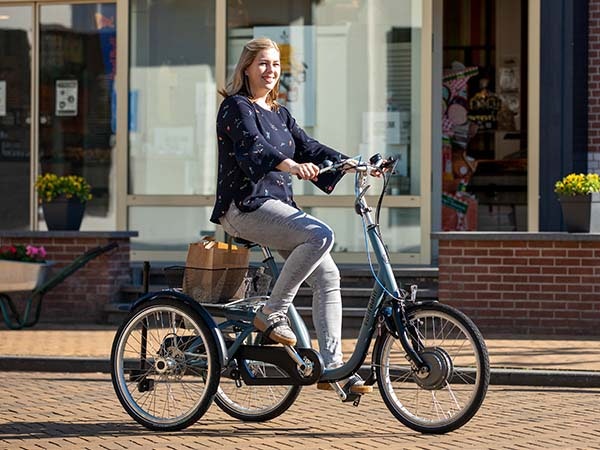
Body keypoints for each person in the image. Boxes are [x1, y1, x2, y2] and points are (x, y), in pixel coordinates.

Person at [210, 37, 371, 394]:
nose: (270, 71)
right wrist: (292, 166)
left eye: (276, 65)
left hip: (277, 208)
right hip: (245, 206)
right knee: (320, 234)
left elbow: (309, 145)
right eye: (263, 64)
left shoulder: (280, 114)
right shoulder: (236, 107)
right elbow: (254, 147)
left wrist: (354, 163)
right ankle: (271, 313)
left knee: (329, 276)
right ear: (247, 68)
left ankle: (332, 369)